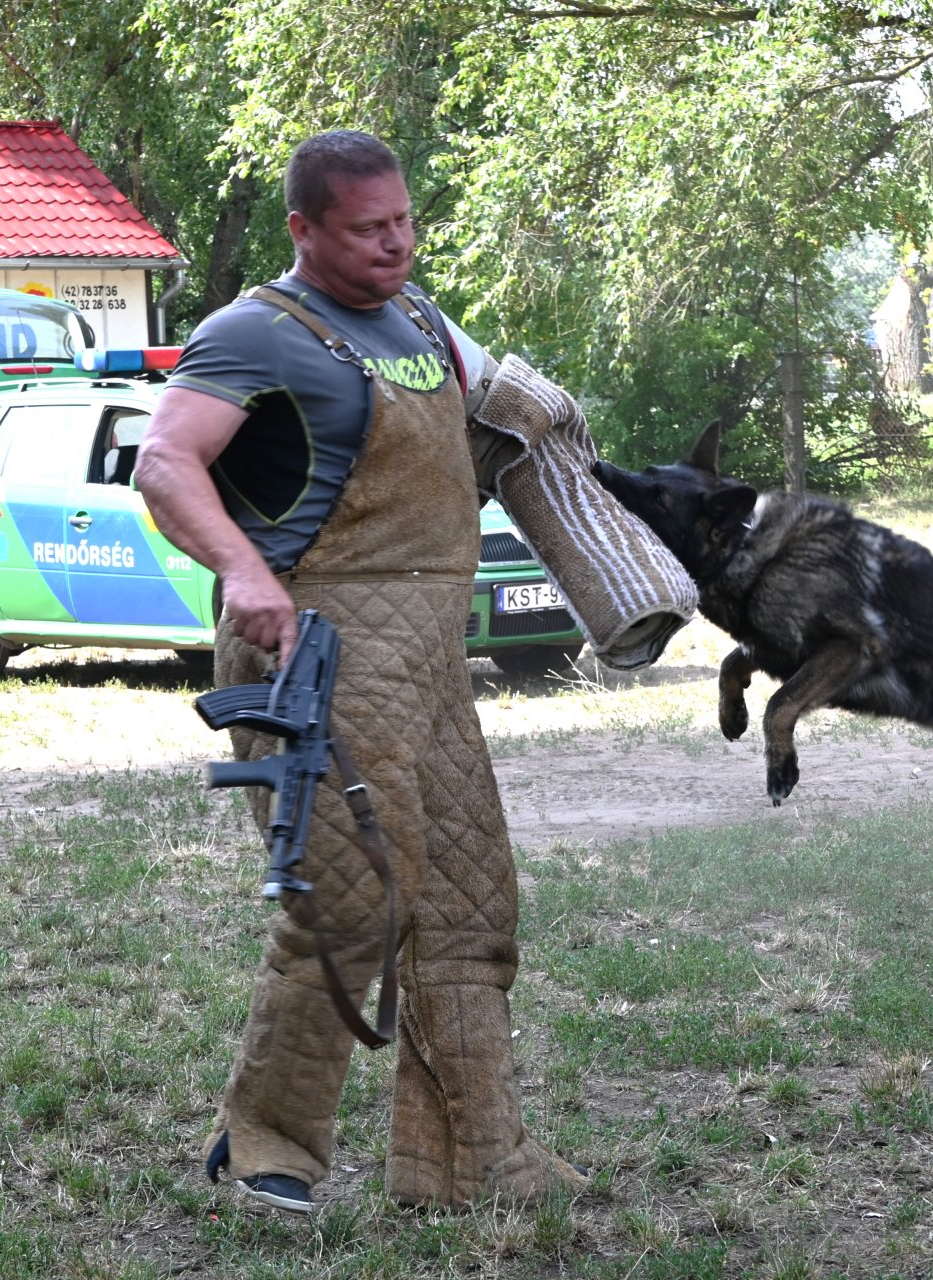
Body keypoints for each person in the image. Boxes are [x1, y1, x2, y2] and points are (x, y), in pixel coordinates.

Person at [134, 130, 586, 1214]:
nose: (396, 244)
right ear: (304, 228)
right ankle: (263, 1146)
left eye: (404, 221)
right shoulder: (255, 332)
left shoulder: (422, 321)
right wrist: (242, 568)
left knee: (471, 906)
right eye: (367, 228)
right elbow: (165, 460)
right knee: (350, 901)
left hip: (430, 657)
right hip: (315, 648)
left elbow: (501, 414)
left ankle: (474, 1159)